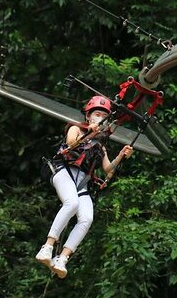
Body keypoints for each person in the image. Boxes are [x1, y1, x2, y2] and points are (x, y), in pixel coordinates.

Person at [36, 95, 133, 278]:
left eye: (102, 115)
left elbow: (107, 170)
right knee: (71, 203)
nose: (99, 117)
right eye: (96, 113)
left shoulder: (101, 145)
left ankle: (62, 258)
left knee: (87, 218)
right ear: (88, 116)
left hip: (82, 182)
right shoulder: (76, 129)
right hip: (63, 171)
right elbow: (72, 144)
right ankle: (48, 247)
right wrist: (89, 132)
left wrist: (121, 156)